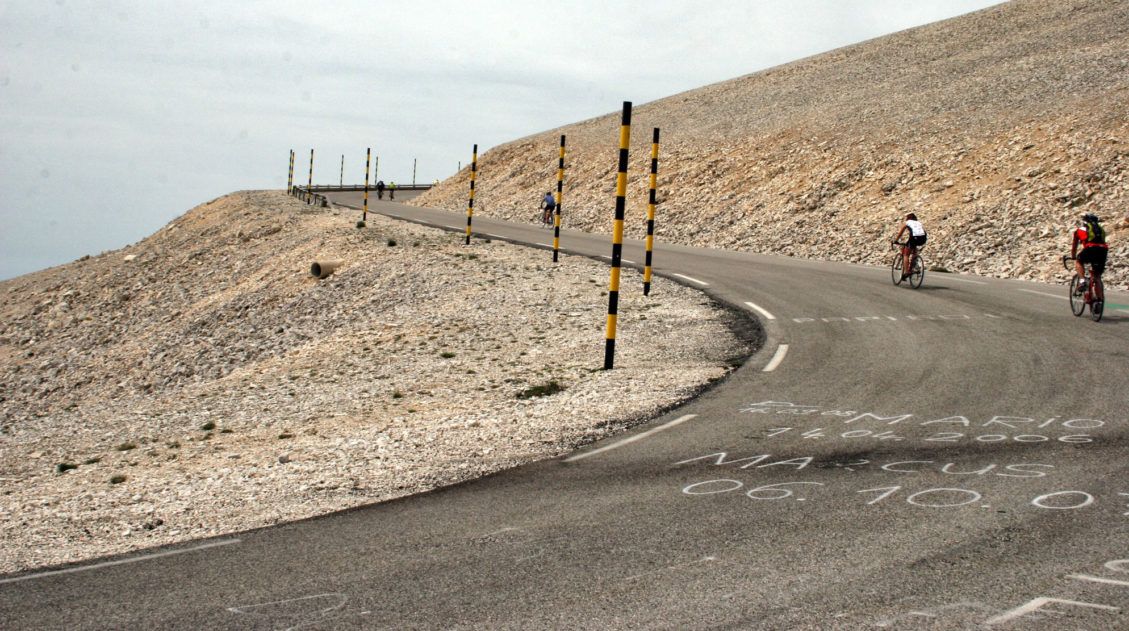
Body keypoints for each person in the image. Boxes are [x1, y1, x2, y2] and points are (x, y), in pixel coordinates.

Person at [1072, 212, 1108, 294]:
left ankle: (1082, 281)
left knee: (1079, 261)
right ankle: (1099, 300)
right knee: (1097, 276)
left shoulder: (1080, 230)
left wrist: (1073, 256)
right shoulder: (1101, 230)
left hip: (1090, 248)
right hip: (1103, 250)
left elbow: (1074, 246)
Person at [893, 212, 927, 279]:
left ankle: (907, 272)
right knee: (914, 248)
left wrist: (896, 240)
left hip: (914, 238)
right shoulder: (919, 223)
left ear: (908, 218)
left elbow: (900, 233)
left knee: (906, 254)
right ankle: (915, 262)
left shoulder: (907, 222)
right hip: (923, 238)